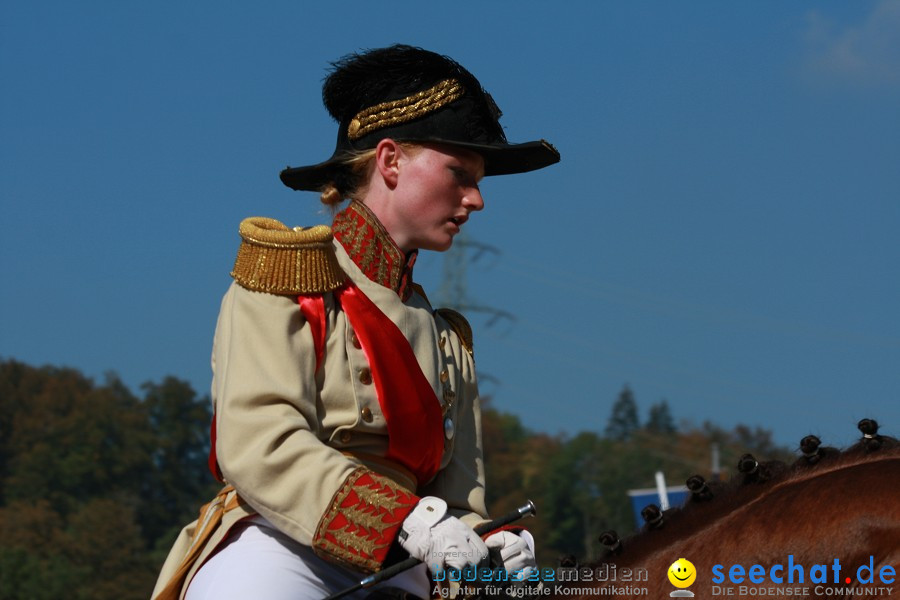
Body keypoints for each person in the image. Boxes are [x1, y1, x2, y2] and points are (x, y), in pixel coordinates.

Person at [152, 44, 559, 600]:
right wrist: (403, 522)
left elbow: (460, 502)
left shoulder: (446, 339)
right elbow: (258, 445)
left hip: (407, 563)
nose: (477, 199)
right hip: (283, 544)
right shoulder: (286, 279)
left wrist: (489, 544)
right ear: (390, 161)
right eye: (460, 174)